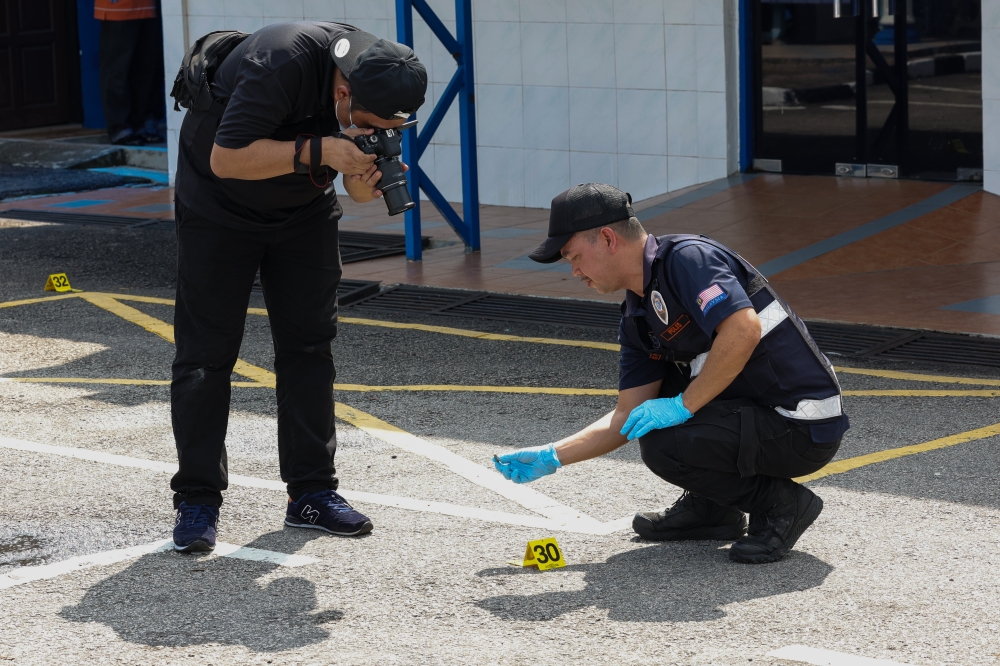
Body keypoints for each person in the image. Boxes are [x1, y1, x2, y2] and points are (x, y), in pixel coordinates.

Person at [170, 23, 427, 552]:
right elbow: (228, 157)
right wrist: (325, 151)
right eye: (370, 123)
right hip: (219, 208)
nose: (375, 129)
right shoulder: (280, 62)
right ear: (342, 92)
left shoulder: (381, 72)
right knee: (205, 355)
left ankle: (310, 493)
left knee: (310, 346)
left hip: (302, 213)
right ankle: (197, 498)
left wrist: (361, 166)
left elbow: (356, 194)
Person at [493, 184, 848, 564]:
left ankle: (783, 505)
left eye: (575, 256)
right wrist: (553, 455)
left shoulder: (687, 260)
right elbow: (627, 415)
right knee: (653, 422)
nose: (575, 270)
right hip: (756, 417)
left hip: (801, 426)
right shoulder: (637, 317)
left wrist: (683, 405)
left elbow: (743, 329)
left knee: (667, 443)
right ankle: (714, 510)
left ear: (608, 238)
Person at [94, 0, 165, 144]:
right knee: (117, 69)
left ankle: (139, 123)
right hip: (118, 6)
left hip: (147, 7)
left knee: (145, 68)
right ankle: (119, 127)